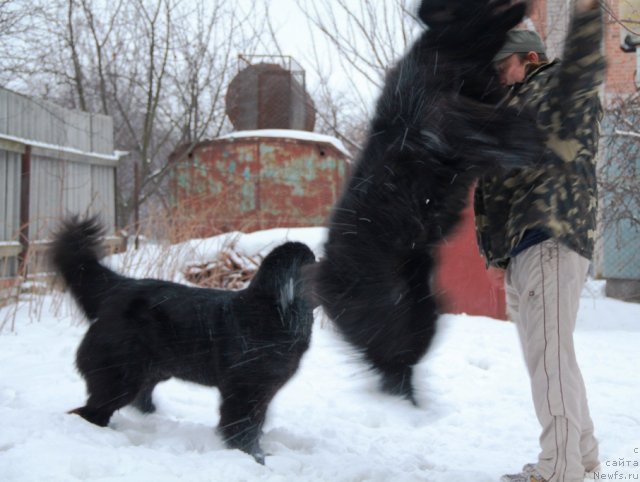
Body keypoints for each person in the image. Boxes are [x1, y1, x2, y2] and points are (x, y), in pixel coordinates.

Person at [473, 0, 606, 481]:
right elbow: (496, 187)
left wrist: (589, 12)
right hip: (529, 243)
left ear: (528, 57)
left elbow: (587, 60)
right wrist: (496, 253)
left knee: (548, 359)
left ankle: (558, 469)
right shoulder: (513, 107)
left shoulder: (556, 88)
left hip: (552, 234)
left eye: (503, 66)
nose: (499, 77)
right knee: (552, 356)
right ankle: (582, 456)